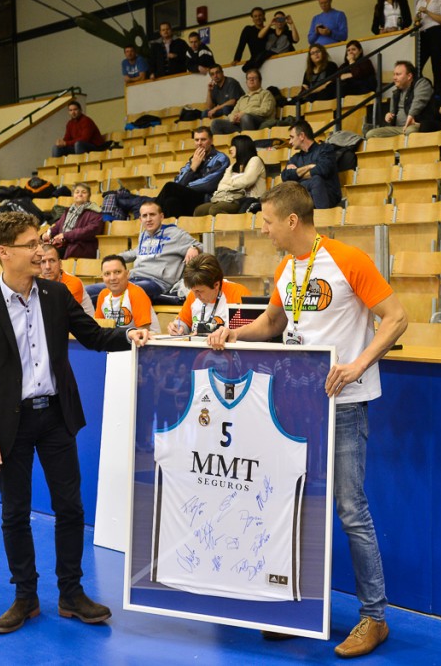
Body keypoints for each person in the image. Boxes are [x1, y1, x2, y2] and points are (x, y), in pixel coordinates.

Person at [202, 181, 408, 659]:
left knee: (350, 510)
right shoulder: (286, 267)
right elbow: (273, 324)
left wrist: (358, 364)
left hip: (344, 403)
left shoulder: (348, 259)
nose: (264, 230)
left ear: (292, 220)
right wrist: (232, 335)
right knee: (294, 505)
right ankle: (299, 609)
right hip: (295, 403)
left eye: (268, 221)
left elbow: (396, 318)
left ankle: (374, 617)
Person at [0, 211, 138, 634]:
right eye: (31, 244)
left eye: (40, 242)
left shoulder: (56, 295)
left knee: (70, 508)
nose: (41, 251)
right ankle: (25, 596)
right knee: (15, 513)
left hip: (57, 416)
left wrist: (132, 336)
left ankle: (71, 593)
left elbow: (94, 336)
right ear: (5, 253)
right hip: (10, 427)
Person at [115, 201, 203, 300]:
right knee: (102, 289)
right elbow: (136, 252)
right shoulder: (144, 235)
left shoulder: (175, 234)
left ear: (161, 217)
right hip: (134, 278)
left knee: (123, 292)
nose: (148, 219)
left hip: (157, 282)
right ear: (140, 219)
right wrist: (113, 258)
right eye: (144, 216)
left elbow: (204, 247)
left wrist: (195, 248)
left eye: (152, 214)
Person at [154, 127, 230, 218]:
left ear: (211, 140)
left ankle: (152, 213)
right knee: (170, 202)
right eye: (196, 140)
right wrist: (193, 167)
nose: (199, 143)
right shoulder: (193, 160)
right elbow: (178, 181)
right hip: (189, 198)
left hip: (206, 198)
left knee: (170, 187)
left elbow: (208, 184)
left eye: (203, 139)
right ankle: (167, 226)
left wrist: (184, 187)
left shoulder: (221, 158)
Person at [166, 253, 250, 335]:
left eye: (200, 291)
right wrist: (177, 328)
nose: (196, 296)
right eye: (193, 290)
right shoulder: (194, 293)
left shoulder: (238, 293)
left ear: (216, 285)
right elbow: (184, 323)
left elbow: (247, 332)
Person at [193, 135, 266, 216]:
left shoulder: (255, 160)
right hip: (229, 199)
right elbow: (221, 186)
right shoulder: (232, 166)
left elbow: (246, 181)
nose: (230, 149)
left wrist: (229, 182)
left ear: (241, 146)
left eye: (233, 146)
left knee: (215, 209)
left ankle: (232, 223)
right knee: (199, 210)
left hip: (248, 201)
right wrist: (235, 183)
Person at [365, 60, 435, 138]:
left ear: (409, 76)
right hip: (398, 128)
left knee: (409, 131)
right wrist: (389, 117)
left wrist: (411, 115)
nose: (394, 78)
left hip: (416, 125)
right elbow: (392, 115)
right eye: (394, 74)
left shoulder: (422, 83)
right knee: (370, 134)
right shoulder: (396, 93)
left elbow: (419, 101)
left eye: (398, 74)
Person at [281, 119, 341, 209]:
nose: (290, 142)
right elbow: (285, 176)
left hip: (327, 195)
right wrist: (308, 167)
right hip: (304, 195)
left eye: (292, 137)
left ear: (302, 136)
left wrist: (297, 175)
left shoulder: (325, 149)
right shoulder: (296, 158)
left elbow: (323, 170)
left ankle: (321, 216)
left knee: (316, 180)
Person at [94, 255, 159, 332]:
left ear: (127, 274)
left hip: (145, 338)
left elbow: (143, 331)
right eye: (107, 274)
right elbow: (98, 327)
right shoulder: (103, 295)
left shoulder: (136, 293)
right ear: (102, 277)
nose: (112, 278)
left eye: (117, 272)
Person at [41, 182, 104, 259]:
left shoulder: (95, 212)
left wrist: (65, 235)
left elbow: (90, 231)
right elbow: (57, 226)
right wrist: (48, 234)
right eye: (77, 192)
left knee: (48, 255)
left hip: (81, 247)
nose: (80, 194)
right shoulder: (69, 211)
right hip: (65, 245)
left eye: (84, 192)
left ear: (89, 196)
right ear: (73, 195)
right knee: (41, 251)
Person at [210, 69, 277, 135]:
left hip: (259, 125)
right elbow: (232, 113)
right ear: (246, 82)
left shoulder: (266, 94)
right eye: (249, 78)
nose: (251, 80)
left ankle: (247, 140)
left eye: (254, 78)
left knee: (245, 117)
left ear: (260, 81)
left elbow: (265, 111)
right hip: (240, 126)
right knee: (215, 123)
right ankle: (239, 139)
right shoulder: (242, 98)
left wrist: (244, 113)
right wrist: (234, 118)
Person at [40, 243, 94, 316]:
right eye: (43, 262)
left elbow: (60, 313)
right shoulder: (39, 283)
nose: (47, 267)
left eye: (52, 261)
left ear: (60, 264)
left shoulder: (73, 283)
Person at [415, 0, 441, 91]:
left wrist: (427, 12)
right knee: (417, 66)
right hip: (423, 34)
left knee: (436, 66)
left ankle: (438, 92)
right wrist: (416, 19)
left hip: (436, 33)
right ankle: (425, 88)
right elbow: (416, 20)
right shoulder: (420, 1)